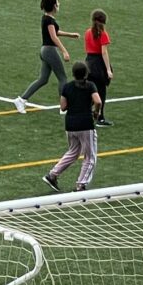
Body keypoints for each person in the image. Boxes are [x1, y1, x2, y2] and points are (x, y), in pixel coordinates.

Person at [14, 0, 81, 114]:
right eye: (57, 3)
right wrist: (64, 51)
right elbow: (54, 37)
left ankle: (21, 99)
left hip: (45, 51)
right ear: (54, 6)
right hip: (50, 51)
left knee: (43, 79)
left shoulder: (47, 18)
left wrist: (70, 35)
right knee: (62, 78)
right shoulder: (49, 20)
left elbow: (55, 32)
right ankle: (63, 108)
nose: (59, 4)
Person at [42, 62, 103, 192]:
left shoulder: (67, 87)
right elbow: (98, 101)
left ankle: (52, 175)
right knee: (90, 157)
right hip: (85, 124)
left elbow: (63, 107)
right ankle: (81, 184)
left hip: (70, 124)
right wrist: (96, 112)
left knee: (73, 152)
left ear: (73, 74)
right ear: (86, 74)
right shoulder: (90, 86)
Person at [84, 9, 114, 127]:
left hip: (88, 62)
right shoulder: (103, 34)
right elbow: (104, 52)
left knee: (90, 90)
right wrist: (108, 69)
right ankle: (100, 118)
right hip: (98, 64)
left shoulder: (88, 32)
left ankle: (85, 112)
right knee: (101, 92)